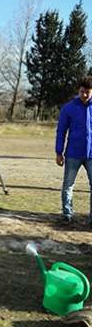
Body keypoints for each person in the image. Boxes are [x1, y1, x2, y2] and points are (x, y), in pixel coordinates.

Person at [55, 76, 92, 225]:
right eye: (82, 91)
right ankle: (67, 214)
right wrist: (59, 152)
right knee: (68, 185)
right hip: (73, 154)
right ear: (78, 90)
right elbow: (61, 131)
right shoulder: (68, 108)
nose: (84, 95)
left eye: (88, 92)